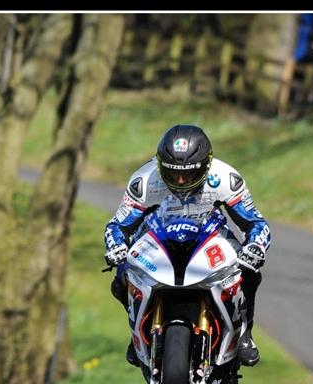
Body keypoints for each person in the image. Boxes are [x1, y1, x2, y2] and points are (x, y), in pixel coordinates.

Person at [103, 125, 271, 368]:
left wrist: (255, 246)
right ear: (161, 166)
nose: (180, 181)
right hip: (158, 238)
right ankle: (139, 333)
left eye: (189, 175)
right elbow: (118, 225)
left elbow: (255, 222)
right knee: (121, 277)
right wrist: (116, 246)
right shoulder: (144, 181)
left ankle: (244, 333)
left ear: (206, 166)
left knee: (249, 272)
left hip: (210, 236)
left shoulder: (226, 179)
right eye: (172, 174)